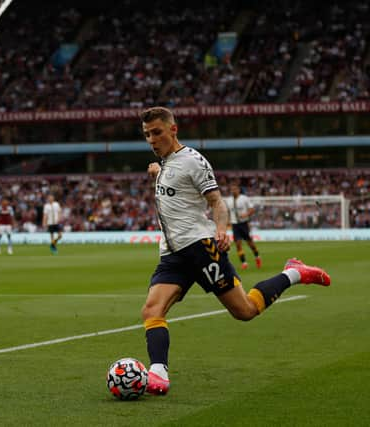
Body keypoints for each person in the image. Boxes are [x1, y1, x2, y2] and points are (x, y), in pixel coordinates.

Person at [140, 106, 330, 396]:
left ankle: (293, 272)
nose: (152, 140)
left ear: (173, 130)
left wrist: (221, 230)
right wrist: (157, 171)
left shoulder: (193, 161)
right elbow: (172, 186)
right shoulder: (163, 164)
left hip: (200, 247)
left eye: (157, 133)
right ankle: (158, 373)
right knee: (152, 309)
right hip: (172, 253)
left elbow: (216, 201)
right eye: (147, 135)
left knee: (245, 310)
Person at [225, 183, 261, 269]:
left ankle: (257, 257)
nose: (233, 191)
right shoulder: (228, 200)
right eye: (232, 189)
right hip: (235, 224)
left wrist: (246, 214)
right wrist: (228, 221)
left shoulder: (244, 199)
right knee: (238, 244)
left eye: (235, 189)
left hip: (244, 224)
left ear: (238, 190)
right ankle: (244, 263)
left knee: (250, 243)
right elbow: (228, 212)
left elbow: (252, 210)